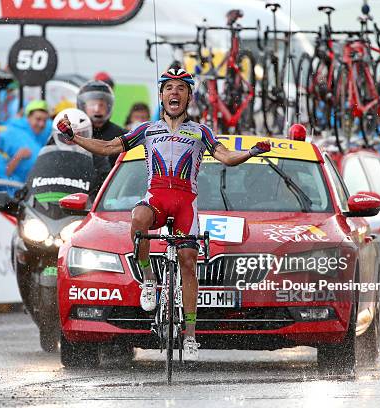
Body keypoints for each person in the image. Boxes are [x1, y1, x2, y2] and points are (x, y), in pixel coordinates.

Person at [56, 67, 271, 360]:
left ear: (189, 97)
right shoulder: (147, 130)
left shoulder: (200, 132)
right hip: (156, 199)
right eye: (169, 88)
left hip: (185, 204)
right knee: (138, 218)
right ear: (160, 95)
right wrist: (75, 139)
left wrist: (251, 152)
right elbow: (107, 147)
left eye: (181, 88)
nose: (174, 93)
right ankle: (147, 279)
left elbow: (225, 157)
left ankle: (191, 338)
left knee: (188, 262)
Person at [77, 80, 126, 172]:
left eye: (101, 105)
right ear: (82, 106)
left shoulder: (121, 135)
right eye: (92, 104)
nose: (97, 109)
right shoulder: (74, 133)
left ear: (109, 106)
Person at [0, 100, 48, 184]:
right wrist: (18, 157)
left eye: (45, 121)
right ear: (28, 117)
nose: (41, 124)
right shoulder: (10, 133)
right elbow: (0, 171)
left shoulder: (37, 134)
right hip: (14, 190)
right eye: (38, 119)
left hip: (31, 188)